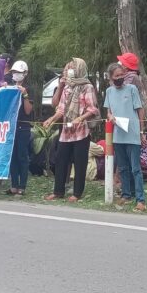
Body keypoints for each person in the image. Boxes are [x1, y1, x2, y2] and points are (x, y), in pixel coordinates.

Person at [43, 58, 100, 202]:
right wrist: (52, 119)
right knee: (60, 160)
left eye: (72, 67)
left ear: (80, 69)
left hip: (81, 131)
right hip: (66, 131)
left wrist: (80, 118)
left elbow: (92, 108)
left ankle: (77, 193)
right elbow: (61, 108)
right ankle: (58, 191)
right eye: (68, 67)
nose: (69, 70)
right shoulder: (67, 87)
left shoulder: (87, 87)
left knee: (80, 163)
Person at [104, 62, 146, 212]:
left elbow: (140, 110)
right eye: (116, 76)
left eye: (122, 75)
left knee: (135, 168)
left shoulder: (132, 89)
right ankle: (126, 194)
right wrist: (111, 117)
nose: (120, 78)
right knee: (122, 167)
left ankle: (141, 199)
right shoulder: (109, 91)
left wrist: (142, 131)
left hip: (133, 133)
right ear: (111, 77)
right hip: (118, 134)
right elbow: (108, 111)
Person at [6, 60, 34, 195]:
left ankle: (22, 186)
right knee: (12, 157)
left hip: (23, 127)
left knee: (22, 156)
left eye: (19, 73)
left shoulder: (29, 89)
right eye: (14, 72)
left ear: (25, 74)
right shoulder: (10, 88)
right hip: (11, 127)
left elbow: (28, 110)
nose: (16, 75)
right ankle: (14, 185)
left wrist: (25, 94)